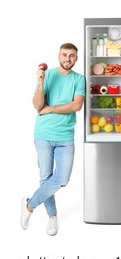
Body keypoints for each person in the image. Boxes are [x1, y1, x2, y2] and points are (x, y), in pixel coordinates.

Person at [20, 43, 85, 236]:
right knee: (46, 178)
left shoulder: (79, 79)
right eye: (64, 55)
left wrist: (51, 108)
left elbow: (76, 106)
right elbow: (37, 105)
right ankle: (52, 217)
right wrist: (41, 83)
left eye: (72, 56)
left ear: (76, 58)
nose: (68, 59)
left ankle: (29, 205)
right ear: (58, 56)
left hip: (65, 137)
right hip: (43, 135)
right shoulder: (47, 76)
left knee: (62, 179)